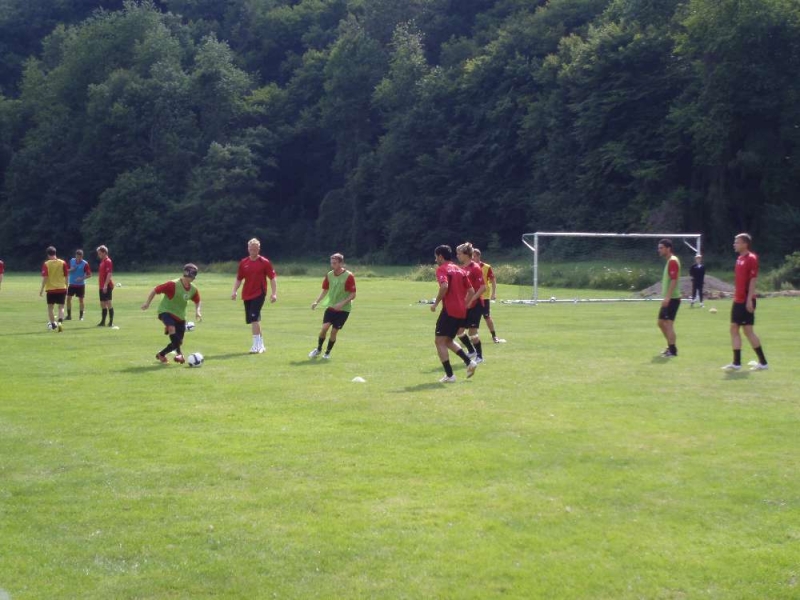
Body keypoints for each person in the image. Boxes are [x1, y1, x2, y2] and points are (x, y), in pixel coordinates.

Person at [431, 245, 478, 382]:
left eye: (436, 257)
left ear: (440, 256)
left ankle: (450, 375)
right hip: (461, 311)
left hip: (449, 310)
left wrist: (436, 303)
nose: (436, 260)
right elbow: (471, 291)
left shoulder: (442, 269)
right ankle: (469, 362)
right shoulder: (460, 270)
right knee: (448, 341)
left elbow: (444, 286)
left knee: (439, 341)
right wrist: (464, 304)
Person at [722, 233, 768, 371]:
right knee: (741, 330)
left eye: (737, 242)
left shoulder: (751, 258)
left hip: (745, 300)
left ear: (745, 244)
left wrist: (749, 300)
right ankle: (744, 363)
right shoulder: (739, 258)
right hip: (738, 299)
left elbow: (753, 280)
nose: (734, 244)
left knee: (742, 330)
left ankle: (751, 363)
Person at [142, 264, 202, 364]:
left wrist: (198, 311)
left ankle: (161, 354)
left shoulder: (193, 289)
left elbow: (197, 301)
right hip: (165, 311)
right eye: (193, 274)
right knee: (171, 329)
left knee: (178, 342)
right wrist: (147, 303)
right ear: (187, 273)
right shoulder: (172, 284)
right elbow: (155, 290)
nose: (194, 277)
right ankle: (179, 354)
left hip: (180, 316)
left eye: (195, 274)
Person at [231, 238, 278, 354]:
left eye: (255, 249)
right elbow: (239, 279)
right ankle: (261, 345)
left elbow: (272, 278)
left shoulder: (264, 262)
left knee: (254, 318)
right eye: (251, 249)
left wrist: (274, 293)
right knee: (255, 320)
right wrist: (234, 291)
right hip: (247, 294)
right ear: (248, 249)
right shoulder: (244, 263)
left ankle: (255, 346)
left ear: (259, 249)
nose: (253, 251)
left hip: (259, 293)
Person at [308, 253, 357, 359]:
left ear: (341, 263)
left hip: (344, 309)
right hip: (331, 307)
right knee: (324, 328)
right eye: (331, 263)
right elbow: (325, 290)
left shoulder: (349, 276)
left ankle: (327, 353)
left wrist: (342, 303)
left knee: (334, 332)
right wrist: (316, 301)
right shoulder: (329, 275)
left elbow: (353, 295)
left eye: (335, 263)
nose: (332, 265)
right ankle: (318, 349)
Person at [455, 242, 486, 362]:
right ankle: (471, 351)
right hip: (465, 305)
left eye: (459, 253)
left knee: (472, 332)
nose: (457, 256)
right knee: (459, 331)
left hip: (475, 305)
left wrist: (471, 300)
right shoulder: (462, 268)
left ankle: (480, 356)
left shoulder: (475, 268)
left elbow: (482, 288)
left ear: (466, 254)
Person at [472, 248, 504, 343]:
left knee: (486, 316)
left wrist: (494, 293)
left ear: (478, 256)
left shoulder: (486, 267)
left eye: (474, 256)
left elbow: (493, 280)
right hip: (473, 296)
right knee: (473, 317)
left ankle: (494, 336)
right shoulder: (469, 267)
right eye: (471, 256)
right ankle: (474, 337)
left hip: (484, 296)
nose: (472, 258)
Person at [657, 238, 681, 357]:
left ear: (668, 248)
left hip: (673, 298)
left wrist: (668, 297)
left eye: (661, 248)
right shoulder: (669, 261)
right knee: (661, 322)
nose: (659, 250)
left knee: (668, 323)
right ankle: (671, 347)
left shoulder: (672, 261)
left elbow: (674, 280)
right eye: (659, 248)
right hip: (669, 298)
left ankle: (672, 350)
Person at [39, 246, 69, 332]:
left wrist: (42, 289)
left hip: (51, 289)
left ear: (48, 254)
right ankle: (60, 322)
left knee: (50, 308)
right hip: (61, 288)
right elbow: (66, 276)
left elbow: (45, 277)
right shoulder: (63, 263)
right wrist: (67, 286)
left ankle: (53, 324)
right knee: (61, 307)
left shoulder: (46, 264)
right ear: (55, 253)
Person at [66, 249, 92, 320]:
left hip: (80, 285)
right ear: (75, 256)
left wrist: (81, 278)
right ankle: (69, 316)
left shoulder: (85, 264)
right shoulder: (71, 261)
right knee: (68, 299)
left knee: (81, 300)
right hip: (72, 284)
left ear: (82, 256)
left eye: (80, 257)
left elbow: (89, 275)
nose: (78, 259)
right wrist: (71, 270)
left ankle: (81, 316)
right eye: (77, 257)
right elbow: (65, 270)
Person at [96, 245, 115, 327]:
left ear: (104, 252)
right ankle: (103, 322)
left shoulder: (108, 261)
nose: (98, 255)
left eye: (100, 253)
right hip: (101, 286)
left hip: (106, 286)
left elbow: (109, 274)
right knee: (102, 304)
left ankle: (111, 322)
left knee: (108, 303)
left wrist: (105, 285)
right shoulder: (102, 262)